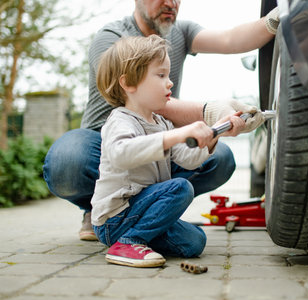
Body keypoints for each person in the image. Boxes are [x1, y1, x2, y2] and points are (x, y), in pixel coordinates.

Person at [43, 0, 280, 241]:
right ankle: (101, 211)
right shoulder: (112, 38)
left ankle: (150, 213)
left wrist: (276, 19)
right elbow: (145, 105)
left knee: (218, 162)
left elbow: (231, 39)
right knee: (68, 157)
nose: (170, 3)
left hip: (158, 141)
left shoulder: (179, 32)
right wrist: (207, 111)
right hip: (107, 144)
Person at [92, 34, 245, 267]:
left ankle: (137, 239)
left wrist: (216, 133)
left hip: (140, 212)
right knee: (181, 188)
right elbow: (121, 154)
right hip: (115, 217)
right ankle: (128, 242)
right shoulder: (120, 120)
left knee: (195, 241)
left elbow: (188, 160)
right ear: (128, 83)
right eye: (161, 75)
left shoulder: (161, 123)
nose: (170, 82)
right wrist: (178, 134)